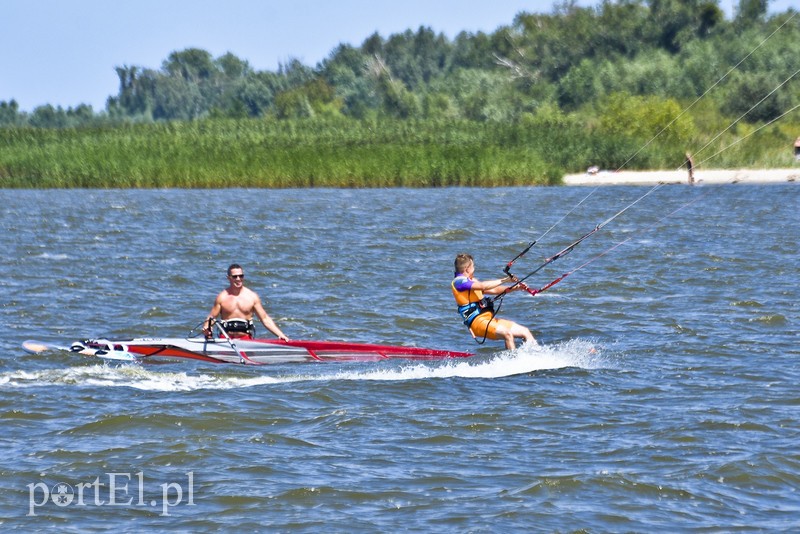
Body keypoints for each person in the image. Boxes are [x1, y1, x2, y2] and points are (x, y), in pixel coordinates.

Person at [451, 253, 537, 350]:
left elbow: (493, 290)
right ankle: (513, 362)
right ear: (467, 269)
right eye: (473, 266)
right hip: (477, 322)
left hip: (488, 320)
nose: (474, 269)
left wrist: (515, 288)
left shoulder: (471, 281)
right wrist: (505, 280)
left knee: (525, 332)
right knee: (507, 334)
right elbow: (483, 286)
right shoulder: (459, 282)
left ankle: (535, 357)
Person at [203, 264, 289, 341]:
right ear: (228, 278)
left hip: (246, 340)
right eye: (235, 276)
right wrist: (207, 329)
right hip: (225, 340)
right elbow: (211, 318)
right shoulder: (222, 297)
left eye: (241, 276)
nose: (238, 279)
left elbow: (265, 319)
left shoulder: (252, 297)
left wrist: (281, 335)